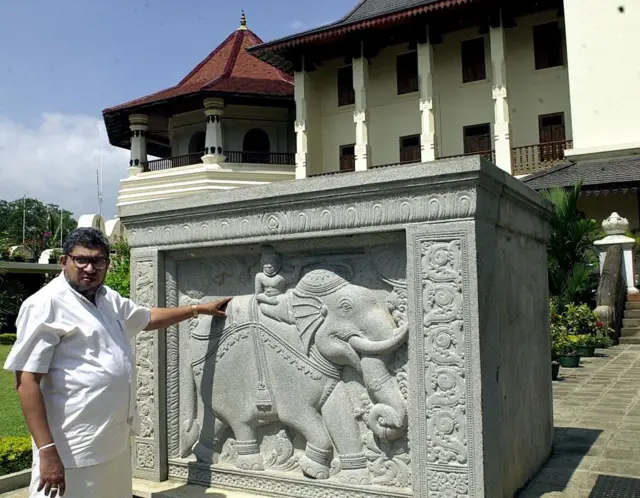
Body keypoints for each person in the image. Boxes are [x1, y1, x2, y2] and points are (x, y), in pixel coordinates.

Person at [3, 228, 231, 498]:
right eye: (81, 260)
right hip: (71, 449)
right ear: (64, 262)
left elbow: (146, 318)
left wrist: (197, 310)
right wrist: (46, 451)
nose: (90, 268)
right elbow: (27, 382)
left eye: (98, 261)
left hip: (112, 442)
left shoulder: (107, 298)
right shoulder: (44, 305)